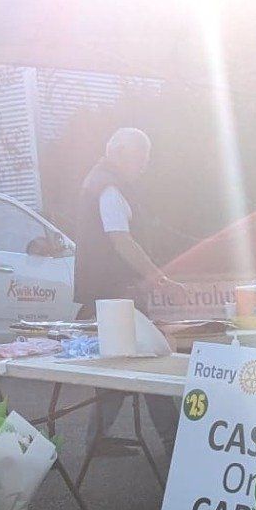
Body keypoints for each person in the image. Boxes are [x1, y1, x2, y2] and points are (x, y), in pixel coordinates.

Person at [72, 127, 175, 441]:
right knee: (150, 360)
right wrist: (159, 277)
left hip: (104, 293)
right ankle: (175, 439)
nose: (144, 164)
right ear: (119, 154)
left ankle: (96, 440)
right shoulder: (110, 188)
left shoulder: (98, 181)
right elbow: (122, 241)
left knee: (120, 363)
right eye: (140, 156)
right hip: (117, 293)